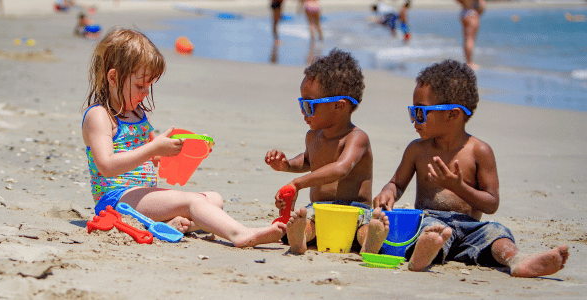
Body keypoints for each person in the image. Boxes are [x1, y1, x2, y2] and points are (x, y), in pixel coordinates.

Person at [82, 28, 286, 248]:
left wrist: (183, 148)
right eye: (140, 86)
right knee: (193, 202)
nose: (144, 93)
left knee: (214, 199)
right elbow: (107, 166)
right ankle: (240, 234)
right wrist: (153, 149)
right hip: (116, 200)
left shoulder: (138, 113)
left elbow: (155, 157)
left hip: (143, 195)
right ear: (113, 77)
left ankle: (174, 224)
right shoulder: (100, 116)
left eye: (149, 86)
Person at [373, 59, 569, 277]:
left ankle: (518, 260)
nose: (414, 120)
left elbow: (491, 203)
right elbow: (396, 184)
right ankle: (424, 254)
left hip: (470, 228)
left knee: (497, 232)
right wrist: (387, 192)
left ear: (453, 114)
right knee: (428, 230)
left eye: (420, 112)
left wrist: (458, 187)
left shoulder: (479, 151)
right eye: (412, 112)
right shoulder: (417, 150)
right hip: (432, 221)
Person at [265, 48, 390, 255]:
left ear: (339, 106)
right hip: (320, 208)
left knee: (363, 229)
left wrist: (298, 183)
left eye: (310, 105)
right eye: (302, 104)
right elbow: (307, 161)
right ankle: (299, 238)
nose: (304, 112)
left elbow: (341, 168)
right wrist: (286, 165)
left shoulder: (356, 138)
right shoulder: (312, 136)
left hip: (354, 209)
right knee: (307, 224)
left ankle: (370, 241)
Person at [455, 0, 485, 69]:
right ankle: (470, 62)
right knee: (470, 39)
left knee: (466, 39)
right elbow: (482, 5)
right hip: (472, 13)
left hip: (464, 11)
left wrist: (464, 4)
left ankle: (468, 61)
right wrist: (479, 12)